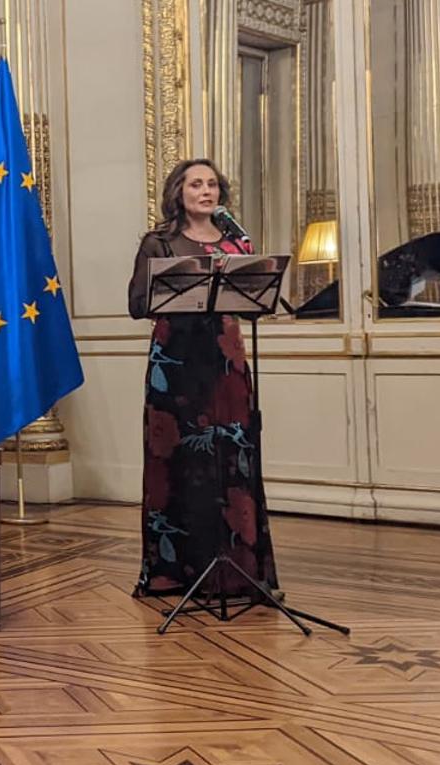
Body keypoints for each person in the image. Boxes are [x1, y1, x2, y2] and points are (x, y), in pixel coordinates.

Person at [126, 159, 278, 600]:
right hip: (177, 362)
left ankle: (237, 572)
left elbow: (254, 303)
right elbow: (138, 303)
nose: (206, 191)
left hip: (225, 361)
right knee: (180, 462)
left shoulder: (235, 242)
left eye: (212, 184)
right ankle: (176, 571)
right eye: (196, 184)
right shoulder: (160, 242)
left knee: (230, 462)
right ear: (179, 192)